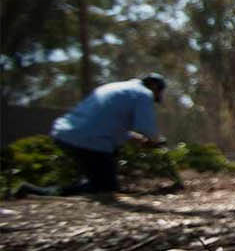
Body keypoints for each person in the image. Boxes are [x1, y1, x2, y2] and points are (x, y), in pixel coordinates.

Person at [36, 73, 169, 196]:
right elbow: (146, 128)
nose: (154, 99)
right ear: (154, 87)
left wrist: (135, 138)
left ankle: (48, 191)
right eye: (158, 94)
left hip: (67, 133)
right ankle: (37, 193)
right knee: (105, 188)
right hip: (90, 140)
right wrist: (157, 142)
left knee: (98, 181)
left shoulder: (117, 87)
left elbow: (105, 123)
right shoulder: (144, 93)